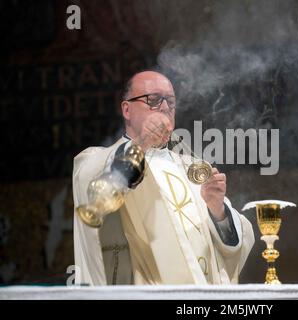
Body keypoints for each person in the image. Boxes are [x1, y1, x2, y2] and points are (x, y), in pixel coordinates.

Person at [72, 71, 255, 285]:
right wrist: (141, 143)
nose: (165, 107)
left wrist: (218, 212)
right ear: (127, 109)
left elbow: (236, 243)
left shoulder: (192, 167)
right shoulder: (95, 159)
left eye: (170, 101)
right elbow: (97, 185)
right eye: (154, 100)